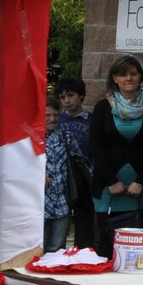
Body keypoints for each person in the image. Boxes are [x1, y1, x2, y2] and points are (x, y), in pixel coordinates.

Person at [90, 55, 143, 258]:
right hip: (108, 188)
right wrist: (111, 181)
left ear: (140, 76)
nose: (129, 78)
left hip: (141, 188)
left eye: (133, 73)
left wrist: (140, 182)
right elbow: (97, 147)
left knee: (135, 247)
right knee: (106, 245)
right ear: (115, 78)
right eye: (123, 74)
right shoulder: (103, 107)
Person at [55, 76, 95, 249]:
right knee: (60, 223)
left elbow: (97, 148)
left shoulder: (92, 120)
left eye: (70, 95)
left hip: (85, 177)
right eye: (62, 97)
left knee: (84, 221)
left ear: (81, 96)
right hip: (62, 178)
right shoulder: (57, 121)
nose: (66, 100)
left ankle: (83, 253)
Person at [42, 96, 79, 253]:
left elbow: (78, 162)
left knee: (57, 249)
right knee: (35, 249)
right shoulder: (29, 138)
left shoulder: (65, 135)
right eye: (47, 115)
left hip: (62, 201)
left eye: (55, 115)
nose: (52, 119)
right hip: (38, 204)